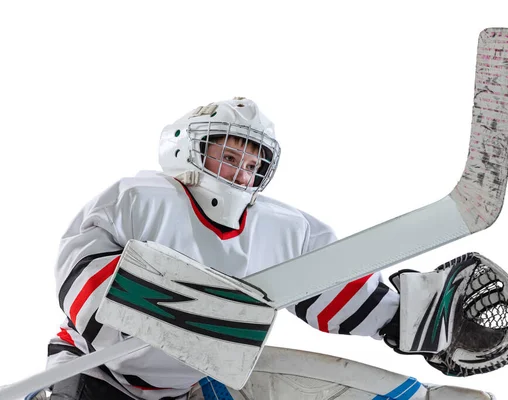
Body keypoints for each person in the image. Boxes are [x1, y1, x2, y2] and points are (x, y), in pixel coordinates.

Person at [46, 97, 400, 400]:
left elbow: (334, 286)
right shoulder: (139, 198)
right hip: (95, 369)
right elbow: (80, 273)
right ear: (187, 149)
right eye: (230, 158)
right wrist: (172, 319)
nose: (243, 177)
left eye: (252, 166)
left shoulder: (282, 229)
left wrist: (406, 317)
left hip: (185, 387)